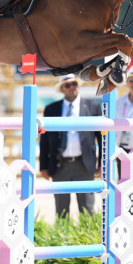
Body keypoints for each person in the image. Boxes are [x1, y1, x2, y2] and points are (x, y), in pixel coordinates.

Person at [39, 74, 103, 218]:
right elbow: (45, 140)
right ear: (62, 89)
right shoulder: (51, 109)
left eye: (74, 84)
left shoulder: (93, 107)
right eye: (68, 85)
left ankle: (87, 239)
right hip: (60, 165)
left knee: (87, 209)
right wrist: (43, 166)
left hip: (84, 164)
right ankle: (63, 239)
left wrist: (102, 163)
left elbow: (101, 137)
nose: (72, 87)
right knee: (61, 210)